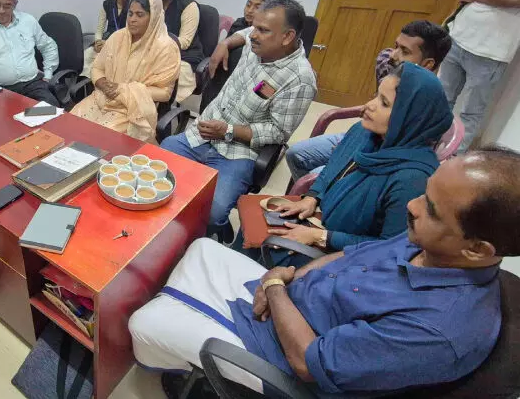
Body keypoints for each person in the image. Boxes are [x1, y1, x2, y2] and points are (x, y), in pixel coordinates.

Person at [129, 146, 520, 398]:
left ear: (477, 249)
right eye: (425, 193)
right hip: (291, 303)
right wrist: (288, 278)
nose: (413, 206)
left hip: (283, 357)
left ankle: (182, 365)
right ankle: (188, 335)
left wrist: (275, 287)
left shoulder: (438, 332)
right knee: (201, 248)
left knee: (143, 324)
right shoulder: (436, 243)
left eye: (431, 208)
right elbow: (351, 254)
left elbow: (308, 363)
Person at [242, 63, 453, 267]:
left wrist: (322, 237)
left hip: (347, 259)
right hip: (322, 223)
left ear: (410, 118)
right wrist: (312, 197)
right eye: (376, 96)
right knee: (253, 226)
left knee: (264, 251)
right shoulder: (365, 133)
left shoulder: (412, 179)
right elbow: (333, 168)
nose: (369, 106)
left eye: (384, 103)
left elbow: (390, 250)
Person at [160, 0, 316, 242]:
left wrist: (228, 130)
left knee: (213, 213)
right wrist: (225, 43)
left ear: (287, 37)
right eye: (254, 27)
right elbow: (244, 33)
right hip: (202, 134)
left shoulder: (300, 79)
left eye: (262, 30)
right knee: (156, 174)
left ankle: (215, 230)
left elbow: (278, 132)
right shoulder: (258, 42)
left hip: (239, 151)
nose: (253, 35)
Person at [286, 20, 452, 182]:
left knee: (315, 176)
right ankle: (308, 195)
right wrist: (351, 143)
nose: (393, 55)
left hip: (382, 155)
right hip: (365, 134)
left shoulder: (429, 102)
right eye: (396, 46)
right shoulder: (389, 66)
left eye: (405, 51)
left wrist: (352, 150)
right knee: (296, 153)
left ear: (427, 64)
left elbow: (403, 150)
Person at [440, 0, 520, 153]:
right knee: (441, 99)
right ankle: (426, 146)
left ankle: (452, 158)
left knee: (471, 113)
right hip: (458, 38)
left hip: (492, 52)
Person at [71, 0, 180, 142]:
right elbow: (97, 68)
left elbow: (164, 93)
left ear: (153, 18)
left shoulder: (166, 48)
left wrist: (121, 90)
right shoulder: (117, 37)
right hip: (102, 98)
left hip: (133, 109)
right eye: (130, 13)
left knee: (98, 140)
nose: (132, 19)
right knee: (71, 124)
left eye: (139, 15)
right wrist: (102, 83)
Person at [200, 0, 276, 113]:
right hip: (226, 80)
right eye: (248, 4)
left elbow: (268, 83)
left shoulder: (270, 39)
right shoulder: (239, 24)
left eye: (257, 7)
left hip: (251, 87)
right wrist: (223, 44)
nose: (250, 10)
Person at [155, 0, 204, 103]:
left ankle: (161, 108)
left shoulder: (189, 7)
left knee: (161, 77)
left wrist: (160, 42)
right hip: (158, 53)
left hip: (184, 56)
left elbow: (185, 41)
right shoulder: (154, 5)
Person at [82, 0, 135, 78]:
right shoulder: (107, 4)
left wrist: (108, 44)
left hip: (127, 43)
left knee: (110, 61)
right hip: (107, 40)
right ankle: (86, 81)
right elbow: (100, 28)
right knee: (88, 54)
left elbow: (132, 33)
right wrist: (98, 42)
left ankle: (102, 81)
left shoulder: (135, 5)